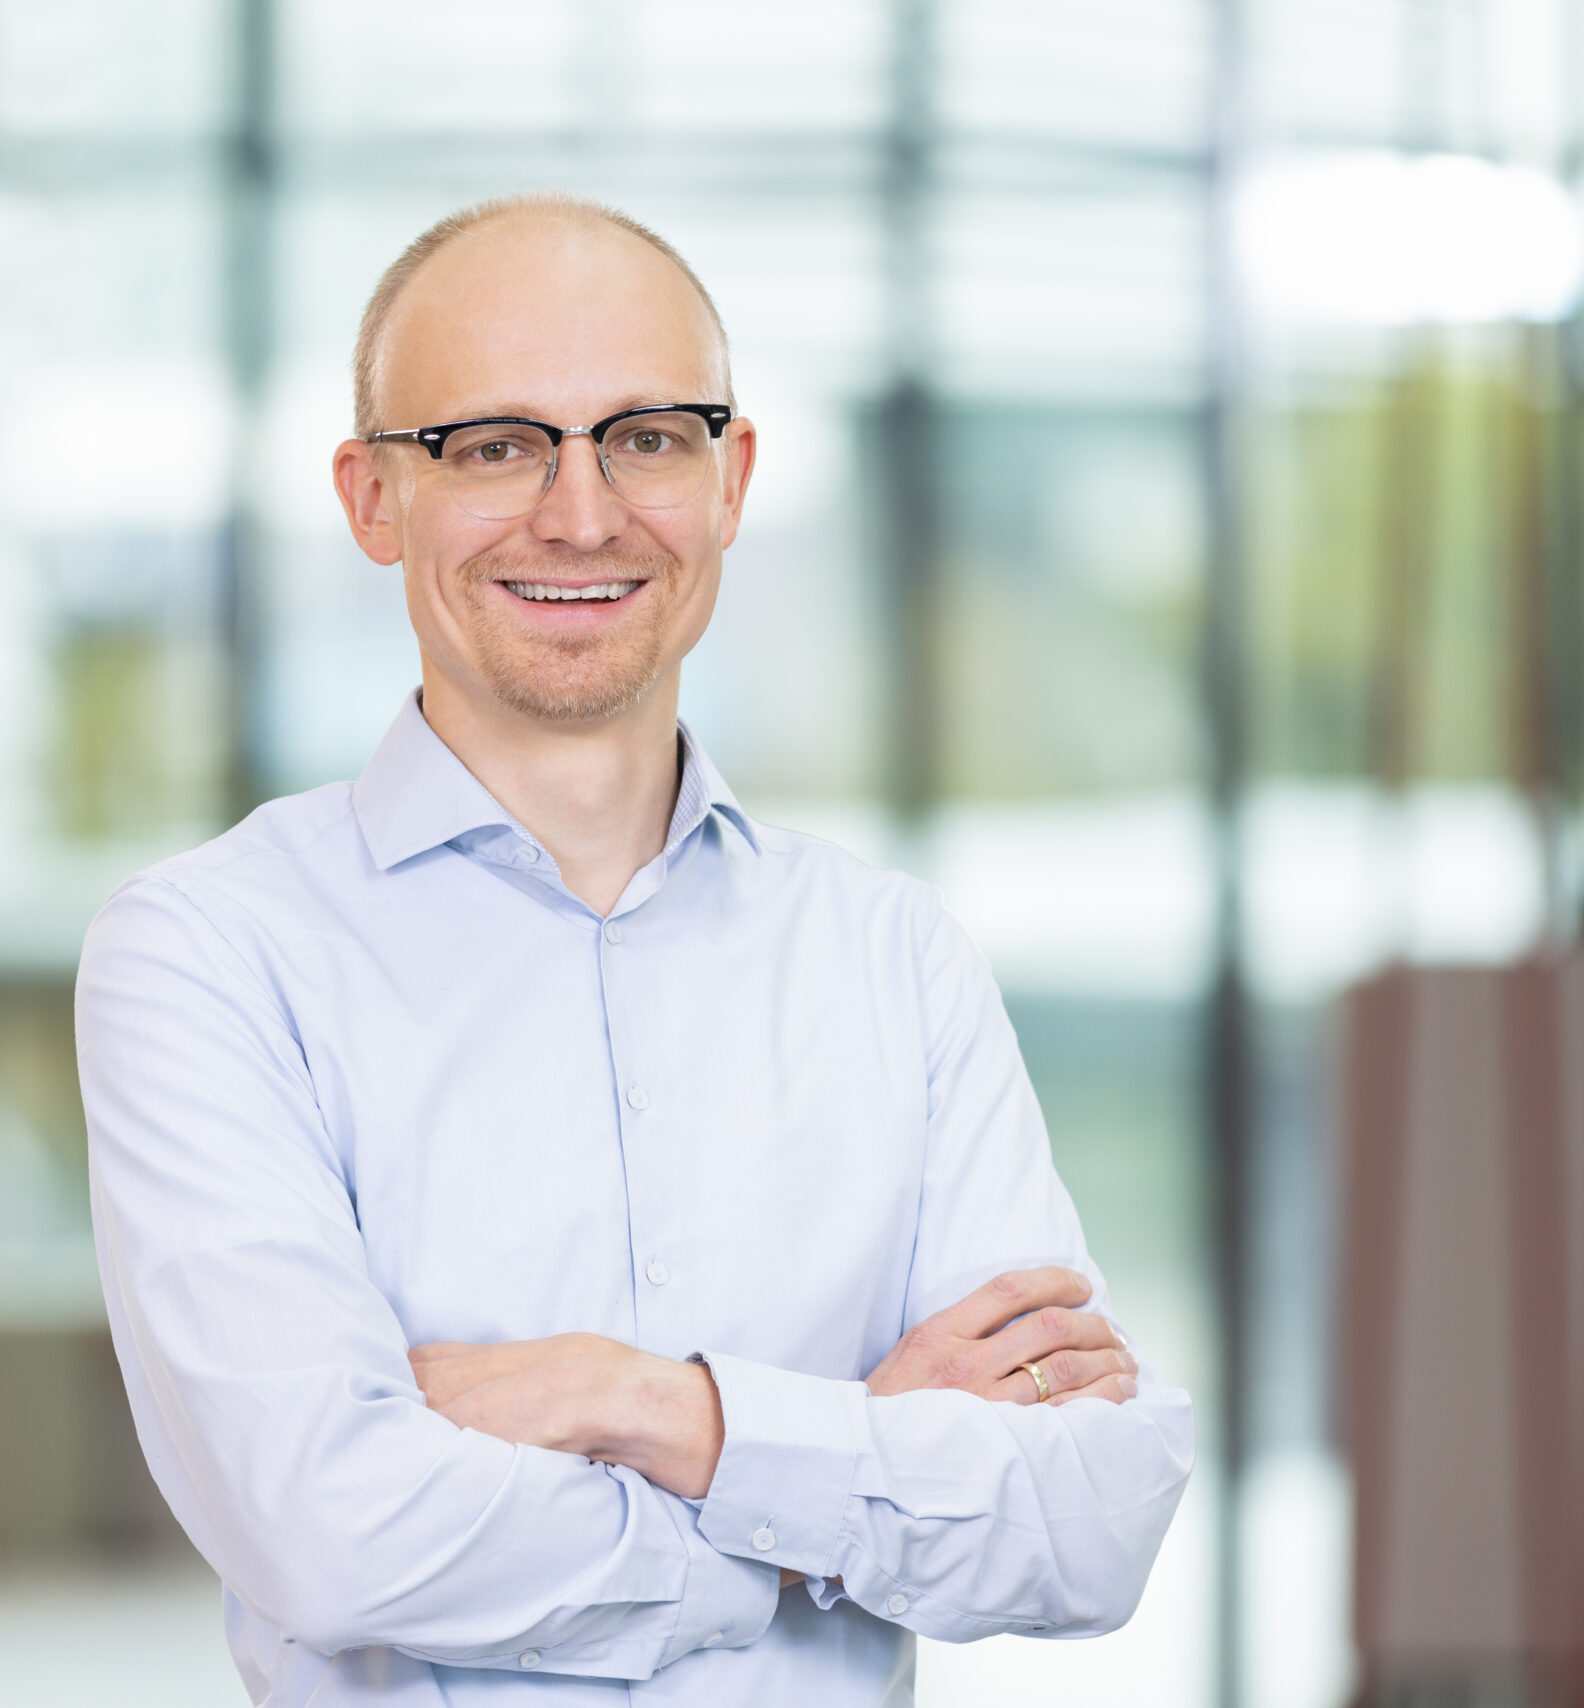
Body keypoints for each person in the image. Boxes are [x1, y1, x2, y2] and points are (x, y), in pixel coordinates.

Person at [77, 191, 1193, 1706]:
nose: (584, 512)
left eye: (647, 436)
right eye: (494, 445)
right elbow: (328, 1533)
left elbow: (1087, 1526)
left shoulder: (892, 959)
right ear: (371, 500)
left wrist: (645, 1407)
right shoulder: (209, 958)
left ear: (731, 478)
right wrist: (830, 1483)